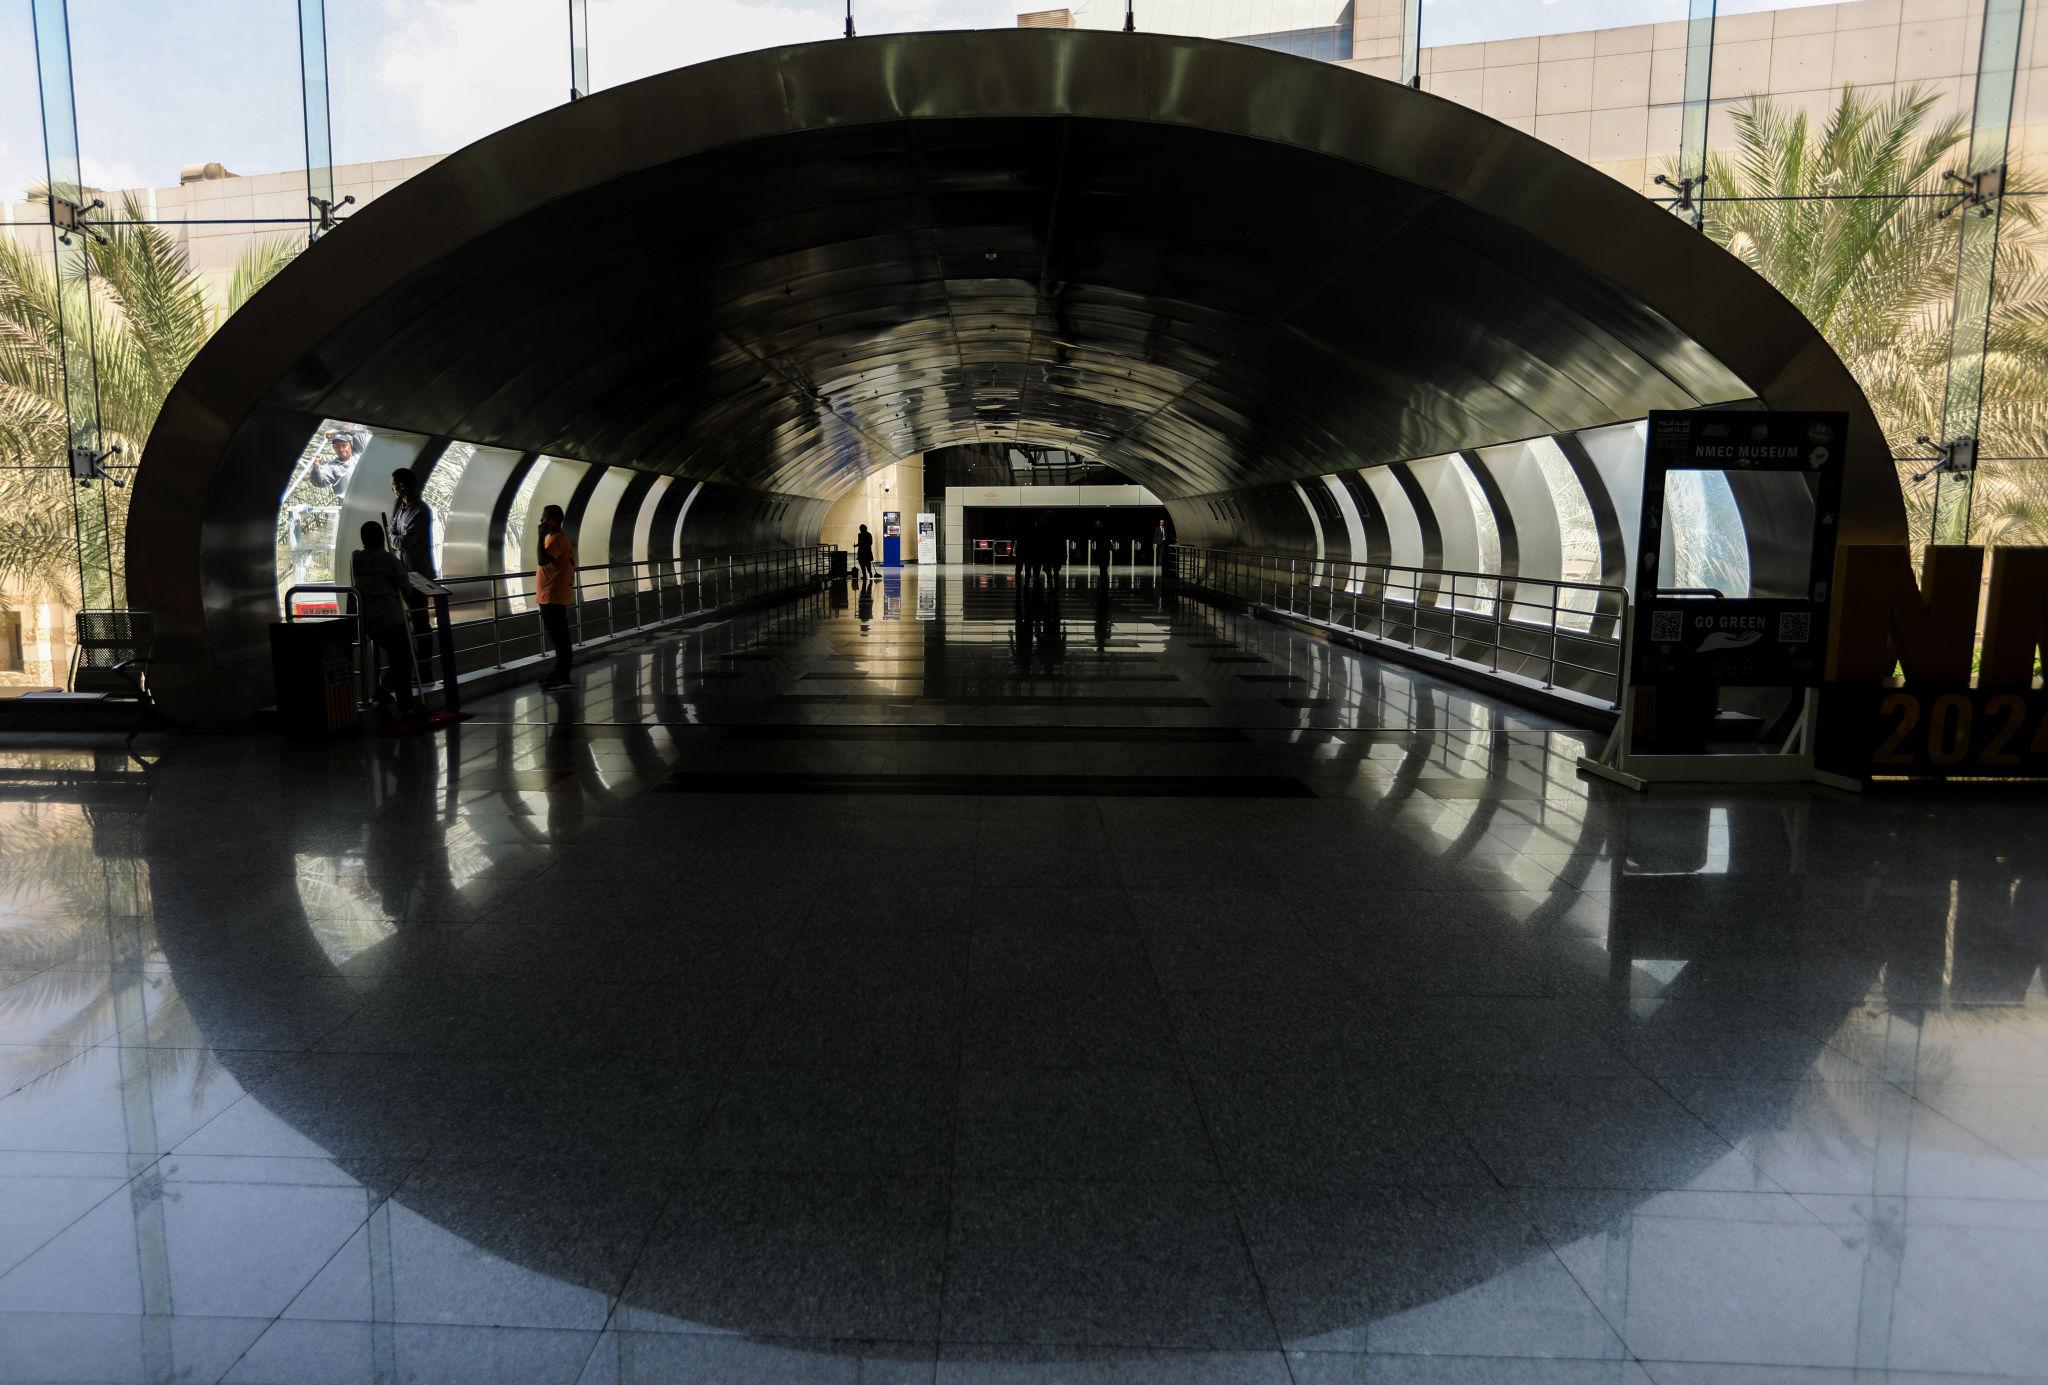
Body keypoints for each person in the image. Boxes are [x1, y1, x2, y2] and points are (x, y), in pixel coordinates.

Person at [350, 520, 423, 719]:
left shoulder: (356, 558)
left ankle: (388, 693)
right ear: (381, 537)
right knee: (405, 659)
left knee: (399, 658)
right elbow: (405, 586)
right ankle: (402, 703)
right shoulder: (389, 559)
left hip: (370, 620)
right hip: (391, 617)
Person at [389, 467, 438, 683]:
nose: (392, 488)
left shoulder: (420, 510)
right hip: (406, 574)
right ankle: (418, 670)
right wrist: (396, 537)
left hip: (418, 575)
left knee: (420, 623)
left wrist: (395, 538)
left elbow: (403, 541)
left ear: (401, 486)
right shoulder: (402, 508)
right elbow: (393, 533)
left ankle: (424, 670)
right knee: (414, 623)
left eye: (393, 484)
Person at [536, 503, 577, 689]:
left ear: (553, 520)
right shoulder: (554, 538)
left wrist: (540, 537)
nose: (541, 520)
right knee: (558, 636)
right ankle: (559, 673)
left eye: (544, 517)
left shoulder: (557, 540)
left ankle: (563, 676)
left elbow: (542, 560)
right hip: (550, 595)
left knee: (559, 637)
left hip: (553, 595)